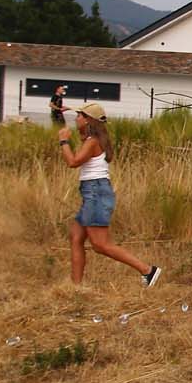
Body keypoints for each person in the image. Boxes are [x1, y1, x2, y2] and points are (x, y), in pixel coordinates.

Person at [56, 101, 161, 288]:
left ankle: (147, 270)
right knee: (76, 237)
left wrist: (64, 141)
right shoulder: (92, 140)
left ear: (88, 120)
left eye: (79, 115)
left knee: (100, 244)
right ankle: (76, 287)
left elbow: (73, 162)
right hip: (93, 192)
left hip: (96, 193)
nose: (76, 118)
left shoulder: (92, 142)